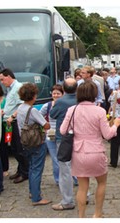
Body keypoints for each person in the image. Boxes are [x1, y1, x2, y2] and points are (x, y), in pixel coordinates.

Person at [60, 81, 120, 218]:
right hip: (96, 151)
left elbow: (63, 130)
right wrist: (116, 125)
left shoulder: (72, 110)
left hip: (78, 151)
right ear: (94, 94)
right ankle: (97, 214)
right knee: (101, 183)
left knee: (82, 187)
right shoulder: (99, 111)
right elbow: (107, 134)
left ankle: (81, 216)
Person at [17, 83, 52, 206]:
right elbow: (46, 125)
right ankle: (36, 198)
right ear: (33, 96)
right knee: (37, 169)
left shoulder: (20, 108)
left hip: (26, 141)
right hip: (37, 142)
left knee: (32, 167)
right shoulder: (32, 110)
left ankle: (33, 191)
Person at [50, 78, 77, 210]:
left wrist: (55, 104)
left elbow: (53, 115)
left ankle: (67, 200)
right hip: (79, 137)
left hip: (64, 137)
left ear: (64, 89)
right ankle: (86, 194)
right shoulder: (81, 100)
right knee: (80, 168)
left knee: (65, 170)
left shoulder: (60, 102)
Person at [0, 68, 29, 184]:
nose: (1, 82)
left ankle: (25, 172)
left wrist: (12, 116)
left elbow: (21, 105)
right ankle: (20, 170)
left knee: (18, 148)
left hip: (15, 122)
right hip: (9, 121)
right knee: (14, 148)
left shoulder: (17, 88)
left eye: (2, 79)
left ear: (8, 76)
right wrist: (4, 111)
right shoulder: (11, 89)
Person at [39, 84, 64, 185]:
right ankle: (58, 179)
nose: (56, 95)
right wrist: (45, 125)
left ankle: (70, 177)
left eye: (58, 93)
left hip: (62, 133)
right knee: (54, 158)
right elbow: (39, 115)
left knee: (64, 158)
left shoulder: (64, 105)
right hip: (51, 134)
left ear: (62, 94)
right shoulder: (47, 105)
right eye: (54, 93)